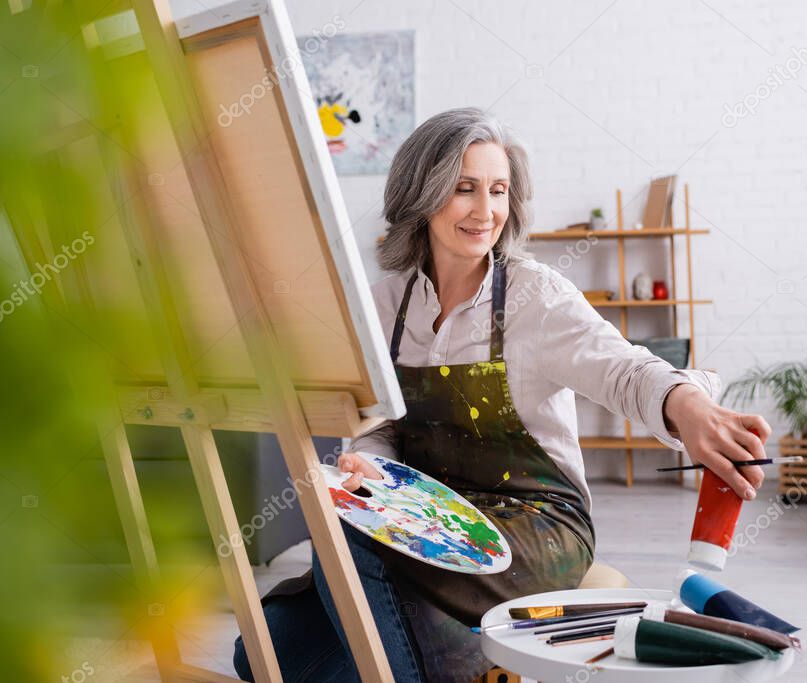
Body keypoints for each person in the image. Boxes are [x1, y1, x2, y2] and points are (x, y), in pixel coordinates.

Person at [234, 107, 770, 682]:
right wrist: (375, 470)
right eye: (464, 189)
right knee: (267, 651)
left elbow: (625, 371)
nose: (485, 210)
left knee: (350, 540)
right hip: (426, 519)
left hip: (535, 525)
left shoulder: (534, 296)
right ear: (423, 193)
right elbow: (382, 426)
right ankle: (463, 662)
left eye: (498, 190)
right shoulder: (385, 306)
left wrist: (685, 404)